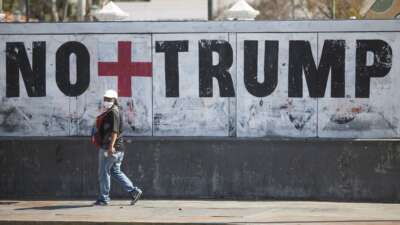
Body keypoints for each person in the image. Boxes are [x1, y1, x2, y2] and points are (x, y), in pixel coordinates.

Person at [93, 89, 142, 206]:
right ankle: (134, 191)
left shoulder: (113, 112)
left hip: (111, 149)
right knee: (115, 171)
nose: (106, 101)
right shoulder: (114, 111)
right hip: (119, 149)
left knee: (104, 172)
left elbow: (114, 131)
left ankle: (104, 199)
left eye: (109, 99)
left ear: (114, 100)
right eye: (105, 99)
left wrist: (110, 147)